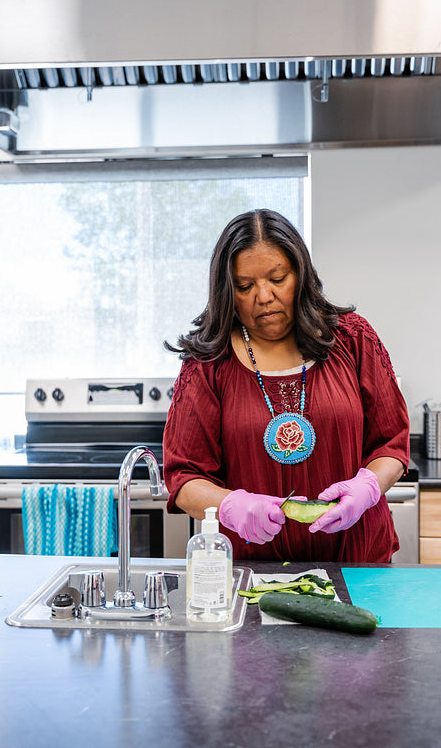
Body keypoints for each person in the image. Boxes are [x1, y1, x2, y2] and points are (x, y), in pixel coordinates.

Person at [163, 209, 409, 562]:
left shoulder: (353, 339)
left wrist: (368, 487)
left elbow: (391, 443)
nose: (264, 296)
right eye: (245, 286)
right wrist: (230, 505)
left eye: (278, 278)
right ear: (227, 292)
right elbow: (184, 478)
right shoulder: (208, 364)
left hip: (360, 561)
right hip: (253, 575)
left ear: (301, 274)